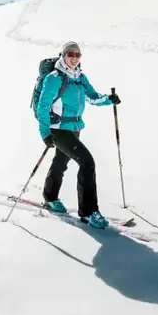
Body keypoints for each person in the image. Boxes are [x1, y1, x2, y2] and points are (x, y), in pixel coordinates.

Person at [36, 41, 120, 229]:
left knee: (60, 162)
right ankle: (89, 213)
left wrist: (108, 99)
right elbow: (43, 106)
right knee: (87, 163)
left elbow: (92, 97)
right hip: (58, 129)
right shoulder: (54, 78)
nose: (74, 58)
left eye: (77, 55)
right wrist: (45, 132)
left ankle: (50, 197)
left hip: (74, 127)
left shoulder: (80, 77)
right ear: (63, 55)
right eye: (70, 54)